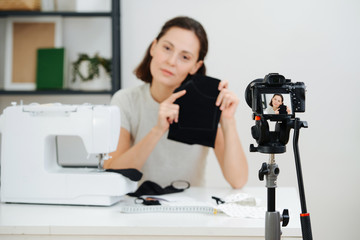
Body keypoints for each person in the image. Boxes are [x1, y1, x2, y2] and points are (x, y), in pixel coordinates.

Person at [104, 16, 248, 189]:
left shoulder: (206, 105)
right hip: (137, 206)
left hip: (190, 208)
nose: (171, 62)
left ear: (195, 66)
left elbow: (238, 180)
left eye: (185, 57)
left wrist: (228, 121)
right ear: (153, 47)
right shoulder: (126, 101)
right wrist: (158, 130)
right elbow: (112, 171)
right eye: (167, 48)